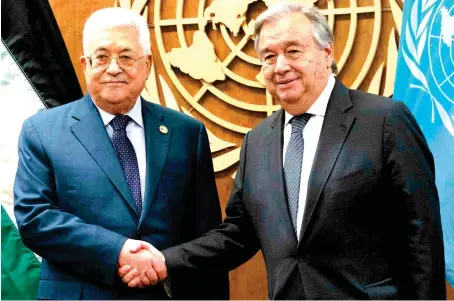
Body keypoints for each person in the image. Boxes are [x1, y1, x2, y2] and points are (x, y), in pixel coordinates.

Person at [119, 2, 447, 299]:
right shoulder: (257, 142)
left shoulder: (384, 121)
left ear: (327, 52)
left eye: (293, 51)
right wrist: (164, 259)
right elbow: (237, 235)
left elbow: (423, 239)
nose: (280, 66)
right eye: (269, 57)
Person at [13, 7, 229, 300]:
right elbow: (35, 219)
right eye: (101, 57)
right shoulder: (42, 131)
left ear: (147, 64)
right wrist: (118, 251)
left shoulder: (187, 133)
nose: (113, 68)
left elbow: (205, 237)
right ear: (85, 64)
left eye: (126, 56)